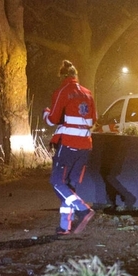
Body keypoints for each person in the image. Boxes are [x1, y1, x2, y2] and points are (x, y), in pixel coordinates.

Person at [44, 60, 96, 235]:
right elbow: (93, 119)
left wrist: (46, 113)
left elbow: (52, 119)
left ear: (63, 76)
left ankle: (83, 210)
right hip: (86, 146)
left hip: (68, 145)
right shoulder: (88, 93)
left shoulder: (62, 91)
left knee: (57, 182)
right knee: (70, 186)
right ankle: (65, 226)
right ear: (76, 76)